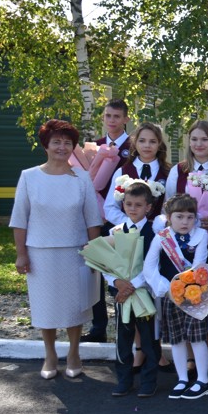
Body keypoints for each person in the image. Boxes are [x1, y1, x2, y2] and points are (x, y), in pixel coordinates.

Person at [10, 120, 102, 379]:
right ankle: (50, 354)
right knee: (45, 307)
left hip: (75, 252)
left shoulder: (82, 178)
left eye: (67, 142)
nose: (62, 147)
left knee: (76, 306)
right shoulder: (29, 177)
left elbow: (92, 219)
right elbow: (20, 219)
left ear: (73, 147)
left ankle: (74, 353)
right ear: (46, 146)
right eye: (56, 142)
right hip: (40, 252)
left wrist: (95, 253)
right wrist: (21, 254)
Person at [166, 121, 208, 380]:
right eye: (194, 139)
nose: (199, 144)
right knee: (186, 293)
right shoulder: (178, 171)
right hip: (182, 246)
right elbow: (168, 205)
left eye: (204, 139)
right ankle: (192, 357)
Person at [144, 194, 208, 399]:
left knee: (197, 338)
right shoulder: (162, 237)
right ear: (168, 217)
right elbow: (149, 267)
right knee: (176, 339)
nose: (185, 222)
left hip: (194, 296)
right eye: (179, 217)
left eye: (190, 217)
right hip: (170, 297)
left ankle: (203, 380)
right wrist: (166, 289)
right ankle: (182, 378)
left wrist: (185, 288)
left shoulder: (201, 236)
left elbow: (199, 265)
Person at [104, 181, 161, 398]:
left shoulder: (155, 233)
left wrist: (132, 286)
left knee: (148, 339)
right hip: (121, 294)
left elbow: (152, 265)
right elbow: (105, 263)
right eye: (129, 204)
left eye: (138, 204)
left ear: (148, 207)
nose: (133, 208)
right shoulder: (115, 231)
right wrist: (116, 283)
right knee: (123, 338)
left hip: (143, 292)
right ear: (123, 205)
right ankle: (124, 379)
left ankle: (149, 380)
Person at [82, 99, 132, 344]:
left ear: (125, 119)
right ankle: (98, 326)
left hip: (121, 219)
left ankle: (125, 327)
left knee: (119, 273)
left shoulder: (134, 147)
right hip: (94, 218)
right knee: (96, 271)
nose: (111, 120)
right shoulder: (94, 147)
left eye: (116, 116)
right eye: (107, 115)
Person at [105, 122, 171, 225]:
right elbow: (110, 207)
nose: (147, 145)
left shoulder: (169, 173)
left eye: (152, 141)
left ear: (159, 144)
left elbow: (171, 206)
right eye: (142, 141)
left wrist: (158, 224)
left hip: (158, 233)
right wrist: (131, 224)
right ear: (135, 143)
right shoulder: (122, 172)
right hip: (127, 233)